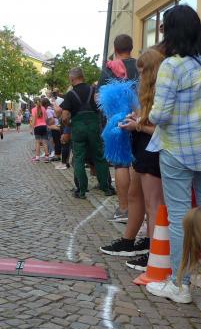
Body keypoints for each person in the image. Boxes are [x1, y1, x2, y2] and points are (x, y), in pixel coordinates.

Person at [144, 5, 201, 304]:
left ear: (171, 32)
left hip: (178, 148)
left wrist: (148, 115)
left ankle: (179, 283)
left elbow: (160, 115)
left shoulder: (172, 65)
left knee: (180, 215)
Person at [100, 48, 166, 261]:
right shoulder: (147, 91)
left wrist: (137, 125)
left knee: (153, 204)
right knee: (135, 196)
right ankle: (131, 242)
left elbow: (162, 130)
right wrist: (135, 120)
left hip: (152, 149)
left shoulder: (162, 92)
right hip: (143, 147)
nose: (140, 75)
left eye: (143, 71)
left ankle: (154, 254)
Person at [100, 34, 140, 223]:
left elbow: (99, 98)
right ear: (131, 48)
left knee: (121, 164)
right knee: (136, 163)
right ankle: (139, 209)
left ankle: (124, 209)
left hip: (117, 121)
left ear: (115, 49)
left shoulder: (109, 68)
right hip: (140, 118)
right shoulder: (140, 65)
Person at [61, 68, 115, 199]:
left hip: (78, 129)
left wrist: (69, 124)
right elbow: (103, 108)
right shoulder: (94, 90)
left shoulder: (70, 94)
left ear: (72, 79)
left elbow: (65, 116)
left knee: (79, 158)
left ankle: (81, 190)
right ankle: (106, 188)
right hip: (94, 127)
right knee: (99, 157)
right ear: (83, 77)